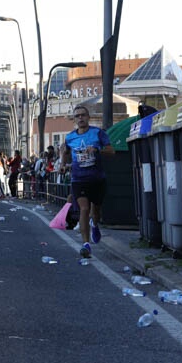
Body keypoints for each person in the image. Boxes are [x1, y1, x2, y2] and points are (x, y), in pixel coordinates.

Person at [60, 103, 114, 259]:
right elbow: (65, 152)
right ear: (74, 119)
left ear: (88, 117)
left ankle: (95, 225)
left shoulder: (98, 133)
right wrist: (63, 165)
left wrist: (97, 150)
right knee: (84, 208)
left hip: (97, 178)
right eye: (77, 116)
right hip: (78, 179)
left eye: (83, 115)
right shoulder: (70, 137)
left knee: (95, 211)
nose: (80, 118)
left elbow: (111, 151)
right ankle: (86, 244)